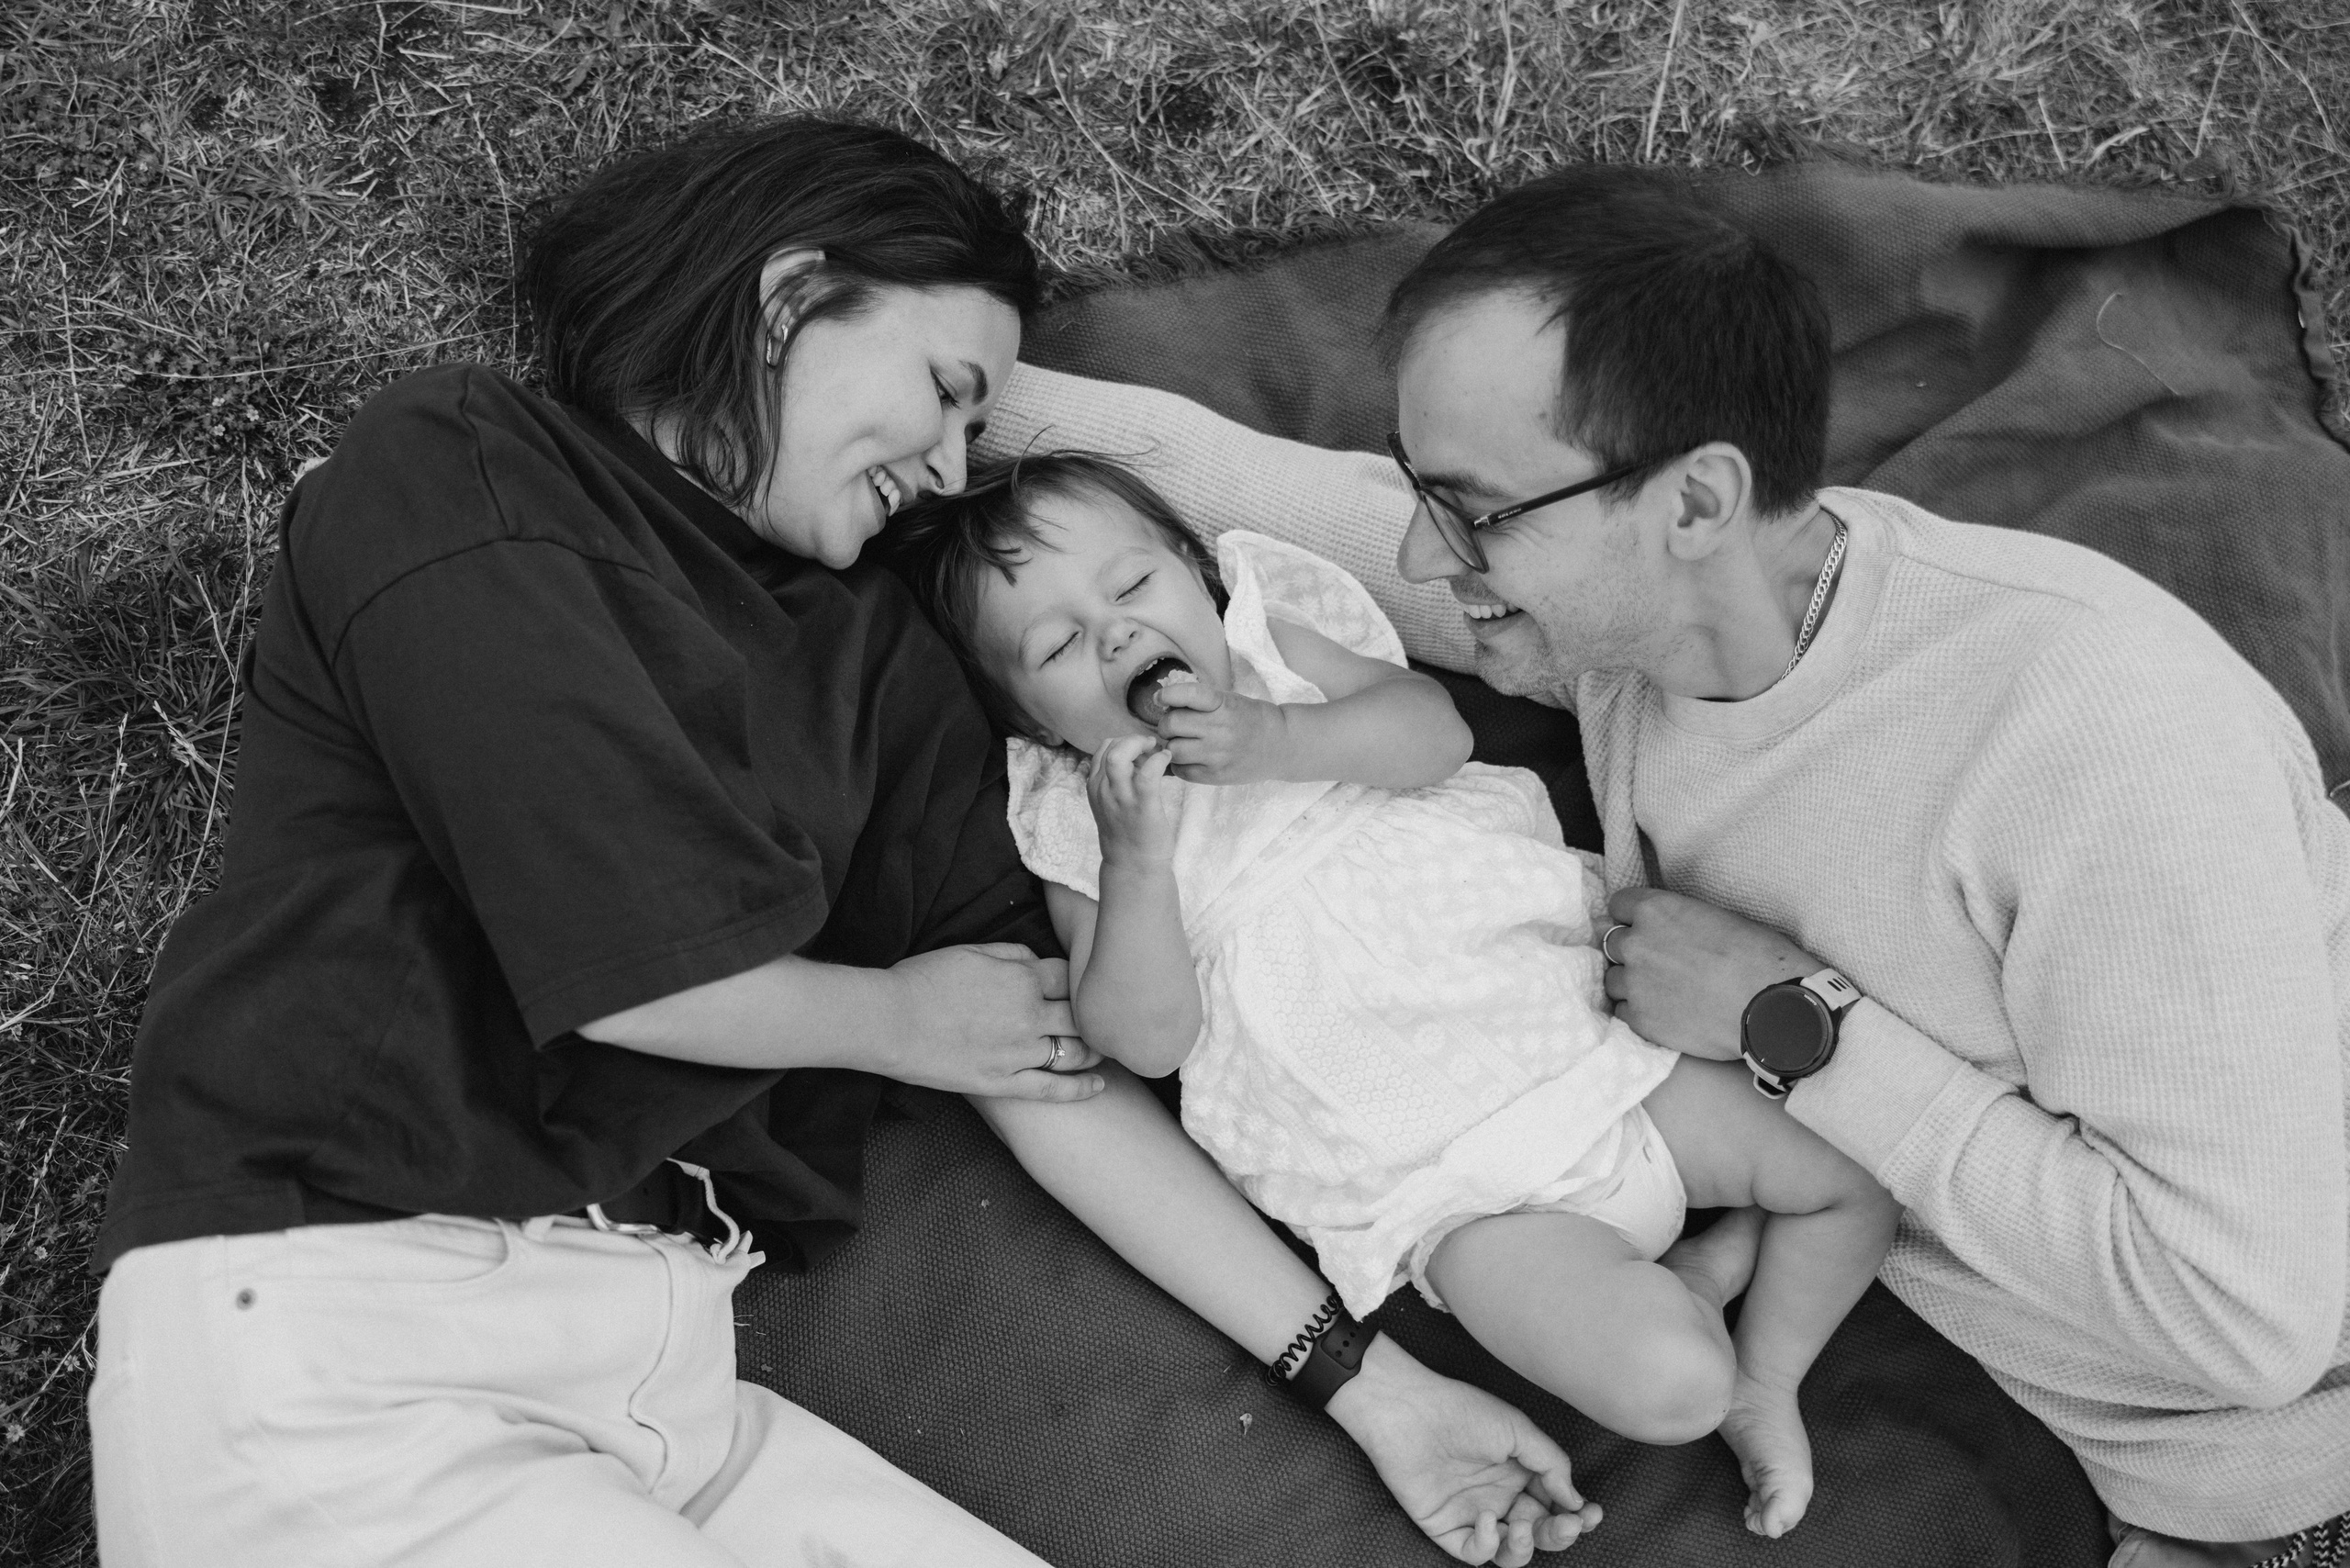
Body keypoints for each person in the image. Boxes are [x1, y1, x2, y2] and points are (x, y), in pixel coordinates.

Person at [85, 118, 1593, 1568]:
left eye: (974, 424)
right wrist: (889, 1017)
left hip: (676, 1381)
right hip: (352, 1319)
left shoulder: (886, 654)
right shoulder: (472, 475)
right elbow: (630, 965)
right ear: (794, 296)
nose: (946, 466)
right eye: (941, 389)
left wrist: (1373, 1388)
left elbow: (1032, 1056)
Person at [975, 163, 2349, 1568]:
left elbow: (2244, 1322)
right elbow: (1265, 513)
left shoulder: (2102, 749)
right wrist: (919, 398)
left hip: (2227, 1431)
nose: (1412, 547)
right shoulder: (1639, 621)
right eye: (1419, 486)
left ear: (1696, 505)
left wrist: (1792, 1029)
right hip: (1830, 1258)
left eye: (1472, 510)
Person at [886, 452, 1900, 1536]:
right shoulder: (1079, 819)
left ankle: (1771, 1376)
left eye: (1132, 587)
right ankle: (1701, 1312)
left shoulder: (1275, 644)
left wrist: (1280, 740)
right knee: (1672, 1388)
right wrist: (1138, 861)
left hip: (1597, 1048)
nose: (1117, 635)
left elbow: (1435, 736)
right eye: (1057, 645)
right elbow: (1140, 1039)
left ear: (1197, 575)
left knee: (1862, 1168)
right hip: (1460, 1193)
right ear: (1035, 723)